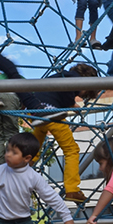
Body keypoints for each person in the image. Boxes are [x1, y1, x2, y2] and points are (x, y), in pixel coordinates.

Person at [29, 63, 101, 204]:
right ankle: (72, 189)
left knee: (34, 149)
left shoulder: (59, 75)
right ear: (86, 79)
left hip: (37, 114)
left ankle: (21, 169)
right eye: (85, 93)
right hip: (50, 113)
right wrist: (71, 103)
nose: (82, 95)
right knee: (71, 150)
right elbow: (67, 87)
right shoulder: (73, 77)